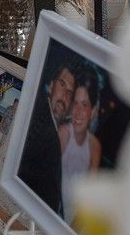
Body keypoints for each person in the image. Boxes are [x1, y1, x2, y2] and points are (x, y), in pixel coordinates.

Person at [18, 60, 76, 217]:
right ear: (51, 85)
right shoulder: (45, 128)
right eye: (62, 84)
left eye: (70, 93)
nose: (64, 96)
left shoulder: (53, 127)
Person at [58, 68, 102, 222]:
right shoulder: (64, 133)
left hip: (73, 220)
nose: (77, 111)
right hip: (54, 211)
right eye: (75, 103)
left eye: (84, 105)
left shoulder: (94, 146)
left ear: (93, 111)